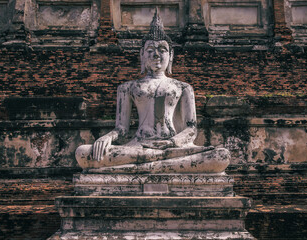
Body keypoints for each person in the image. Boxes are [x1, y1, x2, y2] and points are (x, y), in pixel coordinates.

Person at [75, 10, 230, 174]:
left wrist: (169, 143)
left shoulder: (183, 87)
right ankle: (157, 166)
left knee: (221, 155)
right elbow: (122, 129)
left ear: (171, 55)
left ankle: (139, 168)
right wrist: (107, 137)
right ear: (142, 55)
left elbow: (191, 130)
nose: (156, 54)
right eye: (150, 49)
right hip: (139, 147)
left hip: (171, 148)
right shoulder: (127, 88)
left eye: (162, 49)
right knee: (83, 153)